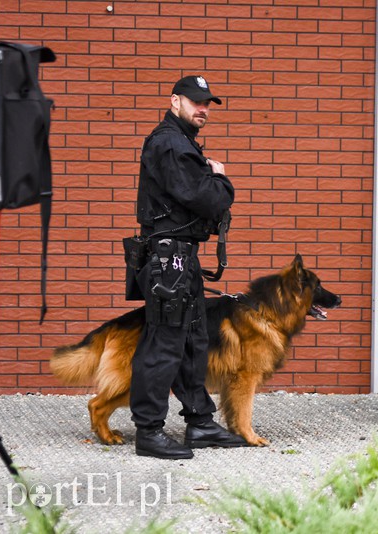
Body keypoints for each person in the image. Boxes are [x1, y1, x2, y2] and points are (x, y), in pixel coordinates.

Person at [131, 75, 246, 459]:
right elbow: (208, 199)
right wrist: (219, 177)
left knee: (193, 340)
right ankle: (148, 431)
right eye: (196, 102)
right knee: (163, 342)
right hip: (169, 258)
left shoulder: (181, 143)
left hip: (181, 256)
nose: (203, 110)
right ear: (174, 101)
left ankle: (199, 422)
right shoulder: (170, 144)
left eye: (208, 104)